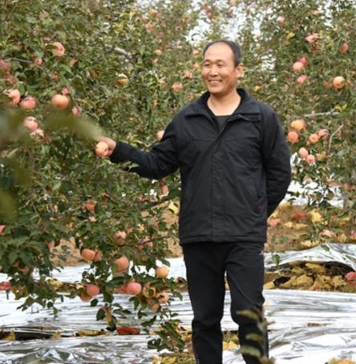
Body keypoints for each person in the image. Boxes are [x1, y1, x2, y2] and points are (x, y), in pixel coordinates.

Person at [95, 39, 292, 364]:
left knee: (248, 313)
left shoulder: (260, 117)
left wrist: (254, 213)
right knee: (205, 319)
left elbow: (280, 174)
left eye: (220, 64)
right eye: (207, 64)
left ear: (238, 70)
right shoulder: (187, 119)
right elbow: (158, 164)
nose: (213, 71)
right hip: (199, 234)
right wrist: (119, 150)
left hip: (244, 236)